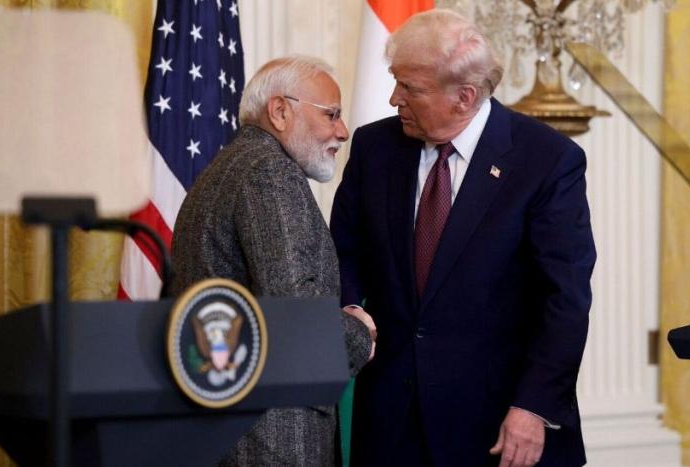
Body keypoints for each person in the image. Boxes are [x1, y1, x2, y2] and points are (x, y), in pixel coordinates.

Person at [330, 9, 596, 467]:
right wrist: (351, 307)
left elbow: (564, 298)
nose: (394, 99)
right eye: (395, 82)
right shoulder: (375, 147)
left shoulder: (546, 160)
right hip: (392, 420)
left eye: (410, 88)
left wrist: (533, 406)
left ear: (464, 97)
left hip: (497, 422)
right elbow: (342, 250)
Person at [171, 55, 376, 467]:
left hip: (230, 425)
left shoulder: (227, 168)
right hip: (274, 435)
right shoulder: (269, 172)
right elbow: (293, 309)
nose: (342, 131)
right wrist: (360, 333)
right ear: (280, 111)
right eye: (331, 114)